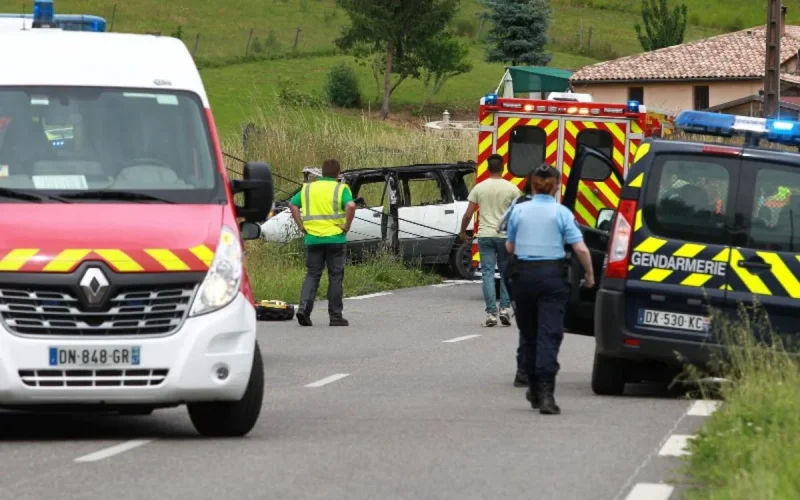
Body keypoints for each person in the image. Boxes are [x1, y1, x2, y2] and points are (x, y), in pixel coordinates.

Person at [505, 164, 595, 415]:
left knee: (530, 333)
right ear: (556, 186)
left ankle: (532, 386)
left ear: (531, 185)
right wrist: (589, 274)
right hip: (552, 279)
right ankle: (545, 394)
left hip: (523, 278)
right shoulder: (562, 213)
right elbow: (581, 249)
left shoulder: (518, 211)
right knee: (549, 334)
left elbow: (510, 248)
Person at [289, 159, 356, 327]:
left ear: (321, 173)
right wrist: (346, 226)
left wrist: (300, 225)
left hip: (313, 238)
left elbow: (292, 205)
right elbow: (351, 205)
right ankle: (335, 316)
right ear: (338, 174)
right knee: (335, 277)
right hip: (335, 238)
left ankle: (304, 309)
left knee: (312, 274)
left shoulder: (308, 189)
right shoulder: (341, 189)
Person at [459, 154, 521, 327]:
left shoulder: (479, 188)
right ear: (503, 167)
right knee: (505, 273)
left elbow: (468, 214)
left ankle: (491, 314)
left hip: (485, 236)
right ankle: (505, 310)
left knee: (487, 273)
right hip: (505, 237)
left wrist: (463, 232)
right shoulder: (512, 189)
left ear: (487, 167)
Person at [498, 181, 532, 387]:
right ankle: (541, 374)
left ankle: (523, 370)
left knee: (526, 325)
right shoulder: (557, 210)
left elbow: (503, 230)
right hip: (548, 274)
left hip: (520, 272)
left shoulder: (518, 206)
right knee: (547, 328)